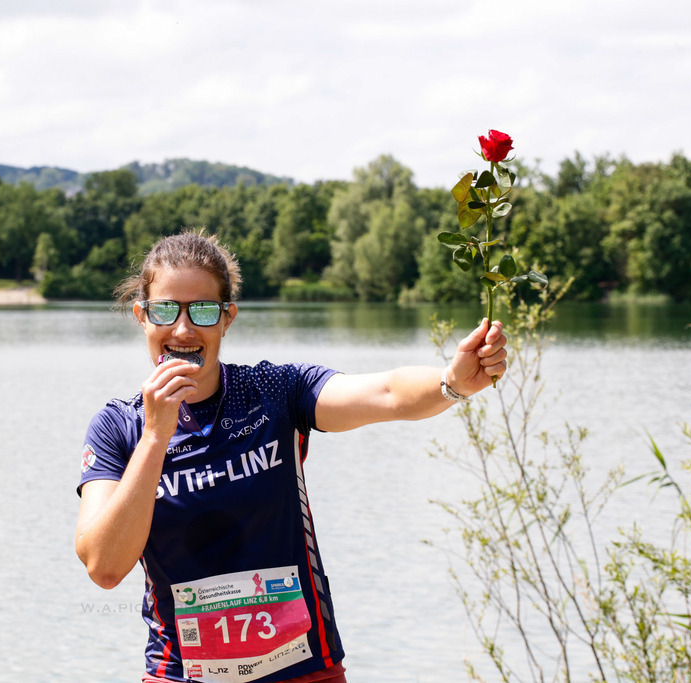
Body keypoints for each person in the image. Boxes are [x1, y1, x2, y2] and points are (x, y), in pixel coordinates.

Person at [75, 230, 508, 683]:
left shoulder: (275, 392)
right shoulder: (118, 428)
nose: (183, 330)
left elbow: (386, 393)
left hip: (304, 671)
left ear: (227, 318)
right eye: (166, 310)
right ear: (142, 315)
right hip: (182, 675)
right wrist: (154, 437)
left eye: (203, 310)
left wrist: (451, 382)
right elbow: (104, 567)